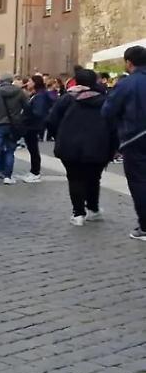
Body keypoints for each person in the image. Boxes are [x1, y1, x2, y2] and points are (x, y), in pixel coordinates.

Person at [49, 69, 118, 226]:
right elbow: (113, 124)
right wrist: (113, 145)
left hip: (70, 145)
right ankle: (93, 209)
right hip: (97, 145)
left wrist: (59, 135)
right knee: (94, 178)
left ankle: (78, 212)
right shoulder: (104, 100)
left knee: (74, 178)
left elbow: (52, 120)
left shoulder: (67, 99)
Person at [103, 45, 146, 240]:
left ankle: (144, 225)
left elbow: (108, 111)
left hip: (134, 138)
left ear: (129, 63)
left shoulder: (126, 84)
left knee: (139, 181)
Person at [0, 70, 25, 185]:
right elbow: (27, 106)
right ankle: (8, 176)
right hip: (13, 125)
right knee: (10, 151)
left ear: (0, 81)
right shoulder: (19, 92)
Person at [21, 75, 54, 183]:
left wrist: (27, 112)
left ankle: (35, 172)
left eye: (30, 81)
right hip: (32, 125)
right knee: (32, 149)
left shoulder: (39, 96)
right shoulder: (36, 95)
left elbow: (38, 112)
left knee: (34, 149)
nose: (28, 83)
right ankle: (33, 171)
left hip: (33, 126)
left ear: (35, 83)